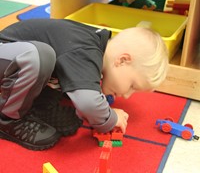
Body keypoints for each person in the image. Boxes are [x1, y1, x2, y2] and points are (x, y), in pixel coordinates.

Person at [0, 18, 168, 150]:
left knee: (62, 70)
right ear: (122, 60)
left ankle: (38, 109)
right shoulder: (86, 51)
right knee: (40, 57)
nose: (126, 95)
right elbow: (88, 102)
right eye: (132, 85)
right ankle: (8, 119)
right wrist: (110, 118)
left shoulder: (93, 50)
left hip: (13, 63)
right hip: (6, 52)